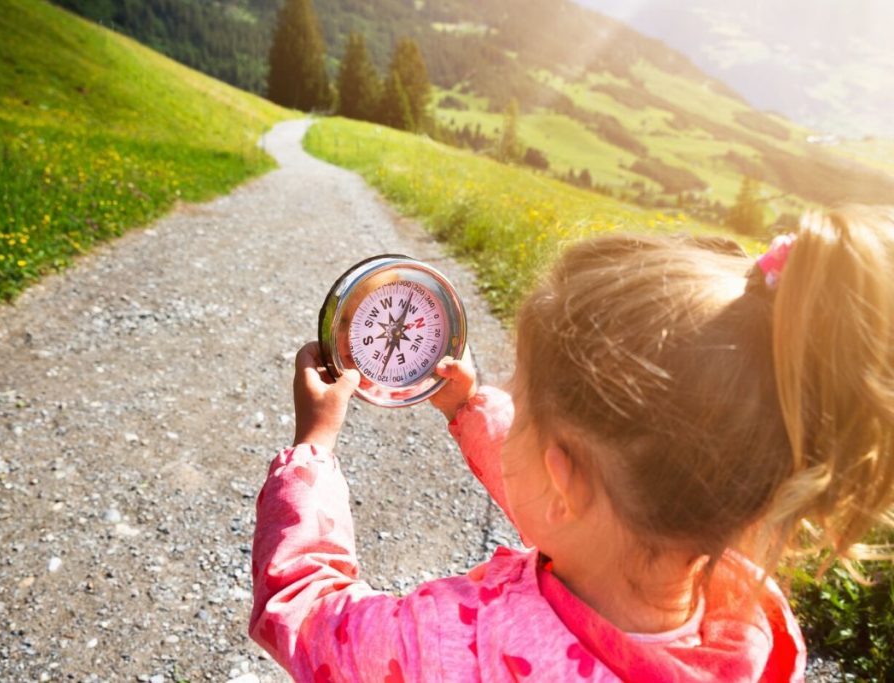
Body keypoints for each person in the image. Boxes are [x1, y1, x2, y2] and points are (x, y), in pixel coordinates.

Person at [249, 206, 894, 681]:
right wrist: (471, 406)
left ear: (563, 479)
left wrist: (314, 450)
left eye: (519, 404)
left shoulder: (455, 646)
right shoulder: (748, 623)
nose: (510, 409)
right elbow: (594, 493)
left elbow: (305, 614)